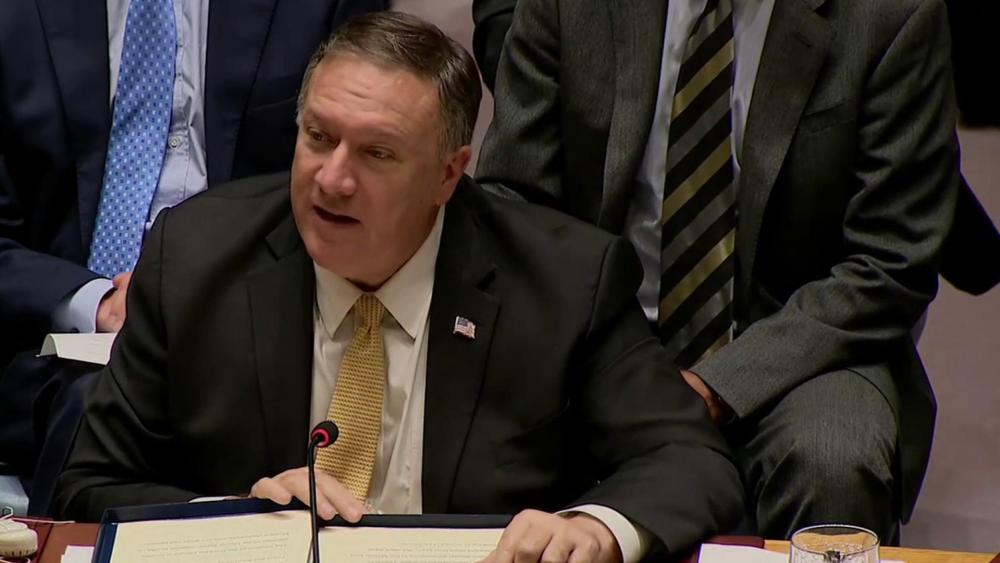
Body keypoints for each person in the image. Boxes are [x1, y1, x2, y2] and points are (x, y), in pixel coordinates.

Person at [55, 12, 743, 562]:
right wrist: (238, 518)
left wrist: (595, 527)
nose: (332, 179)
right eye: (318, 137)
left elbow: (690, 460)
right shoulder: (196, 257)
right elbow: (92, 483)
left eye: (377, 153)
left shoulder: (564, 282)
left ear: (449, 174)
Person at [476, 0, 960, 541]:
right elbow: (514, 204)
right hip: (604, 332)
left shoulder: (890, 14)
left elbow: (892, 258)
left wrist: (721, 383)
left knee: (831, 458)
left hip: (798, 339)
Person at [0, 0, 386, 514]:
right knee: (93, 404)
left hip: (246, 327)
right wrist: (98, 301)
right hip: (42, 342)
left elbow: (355, 157)